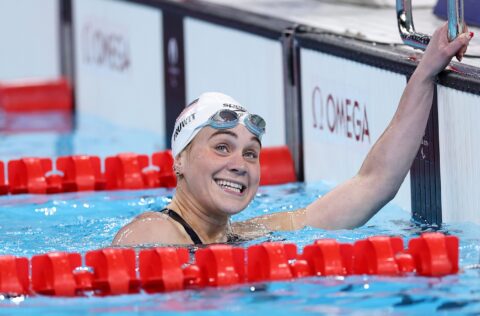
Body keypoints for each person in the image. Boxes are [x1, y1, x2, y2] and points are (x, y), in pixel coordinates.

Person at [112, 24, 472, 246]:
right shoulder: (151, 236)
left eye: (250, 154)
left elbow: (372, 183)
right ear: (180, 161)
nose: (239, 165)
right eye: (222, 147)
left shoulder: (249, 234)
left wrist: (425, 71)